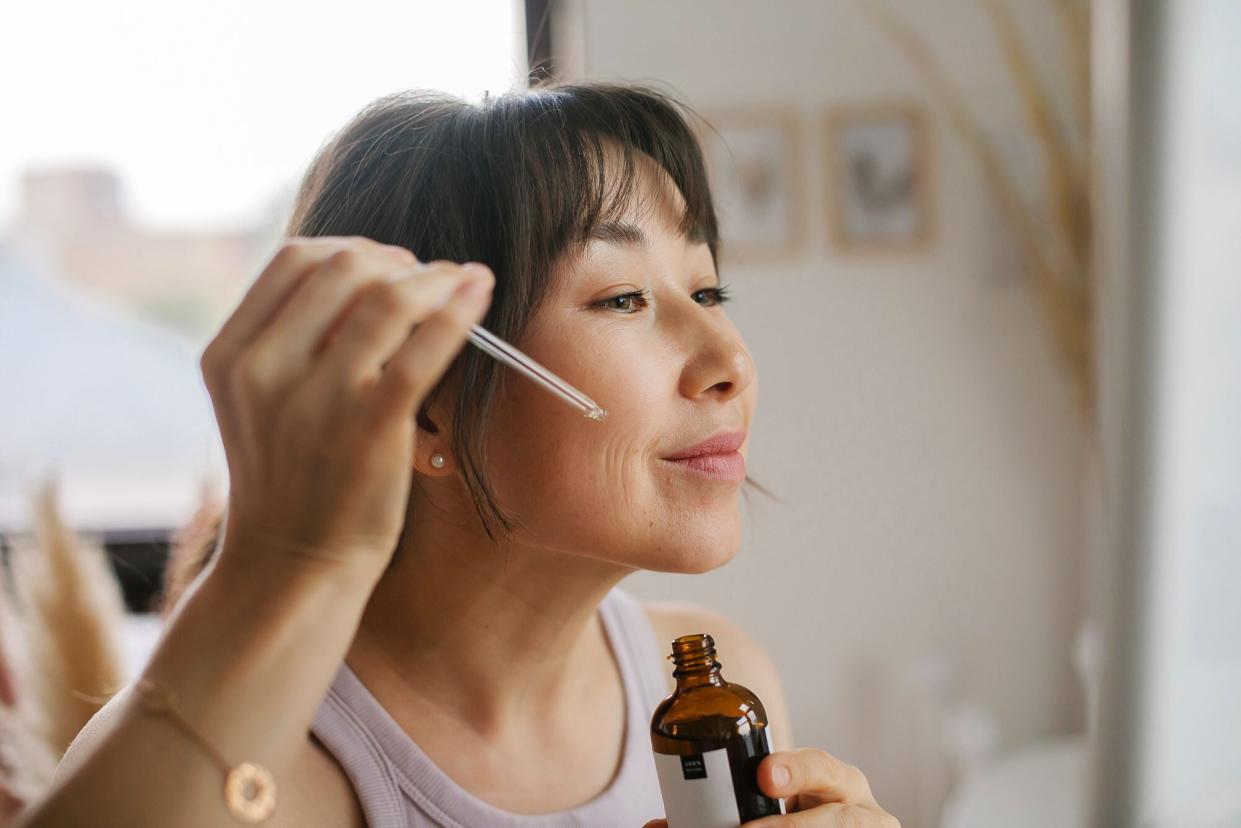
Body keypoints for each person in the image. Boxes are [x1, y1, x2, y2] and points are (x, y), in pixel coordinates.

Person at [17, 81, 899, 827]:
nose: (730, 363)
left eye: (707, 288)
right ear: (424, 404)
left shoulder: (719, 680)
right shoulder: (270, 776)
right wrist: (278, 558)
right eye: (624, 297)